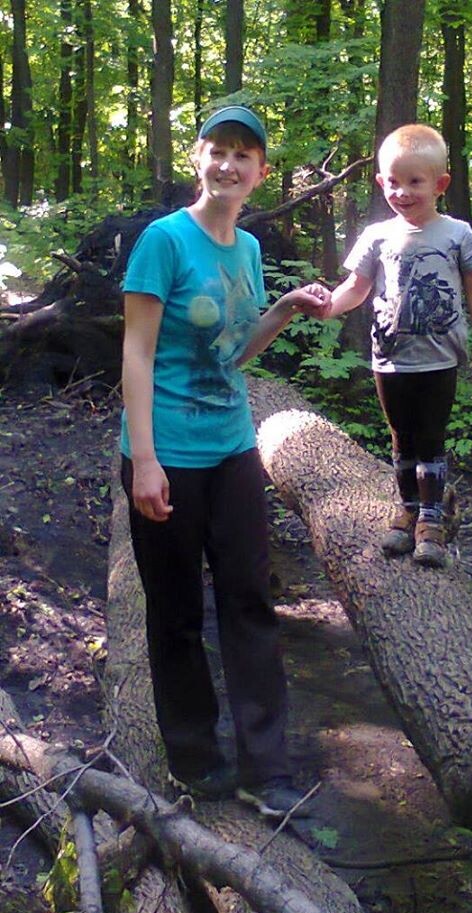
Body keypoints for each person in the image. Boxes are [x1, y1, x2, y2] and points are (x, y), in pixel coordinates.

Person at [120, 105, 329, 818]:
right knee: (176, 612)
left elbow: (233, 352)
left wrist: (287, 309)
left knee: (248, 600)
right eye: (219, 151)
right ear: (198, 159)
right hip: (169, 453)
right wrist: (145, 461)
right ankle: (193, 758)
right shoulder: (163, 241)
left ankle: (264, 769)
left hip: (234, 446)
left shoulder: (243, 249)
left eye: (244, 156)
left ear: (260, 173)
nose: (230, 165)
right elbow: (137, 353)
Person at [317, 123, 472, 568]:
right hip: (389, 360)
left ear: (440, 184)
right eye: (393, 182)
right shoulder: (377, 236)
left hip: (439, 359)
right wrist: (325, 307)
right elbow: (356, 288)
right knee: (401, 439)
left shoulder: (457, 234)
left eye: (415, 182)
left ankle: (432, 521)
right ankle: (409, 509)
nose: (403, 192)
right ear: (381, 182)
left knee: (431, 437)